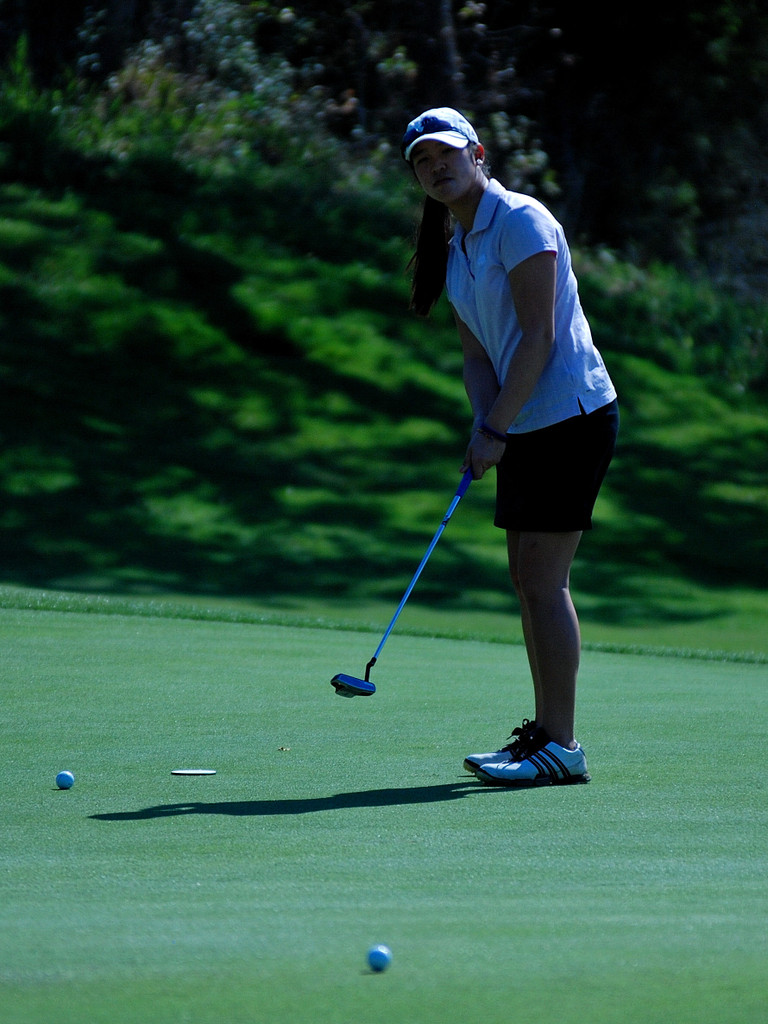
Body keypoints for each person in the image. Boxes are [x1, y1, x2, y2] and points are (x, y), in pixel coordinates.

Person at [401, 108, 619, 786]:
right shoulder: (456, 243)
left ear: (478, 153)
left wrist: (497, 427)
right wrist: (483, 422)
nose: (435, 168)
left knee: (544, 579)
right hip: (518, 420)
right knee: (528, 580)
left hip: (568, 415)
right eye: (421, 161)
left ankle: (563, 745)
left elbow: (539, 338)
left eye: (445, 154)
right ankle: (544, 737)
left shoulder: (520, 220)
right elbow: (476, 352)